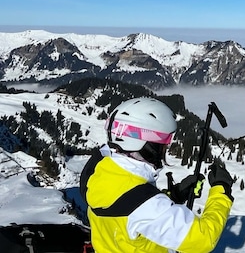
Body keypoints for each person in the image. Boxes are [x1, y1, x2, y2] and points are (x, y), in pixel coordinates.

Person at [79, 97, 234, 253]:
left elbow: (128, 206)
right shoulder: (144, 203)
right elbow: (203, 239)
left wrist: (174, 195)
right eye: (162, 143)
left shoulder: (99, 170)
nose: (165, 149)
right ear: (146, 145)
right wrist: (221, 190)